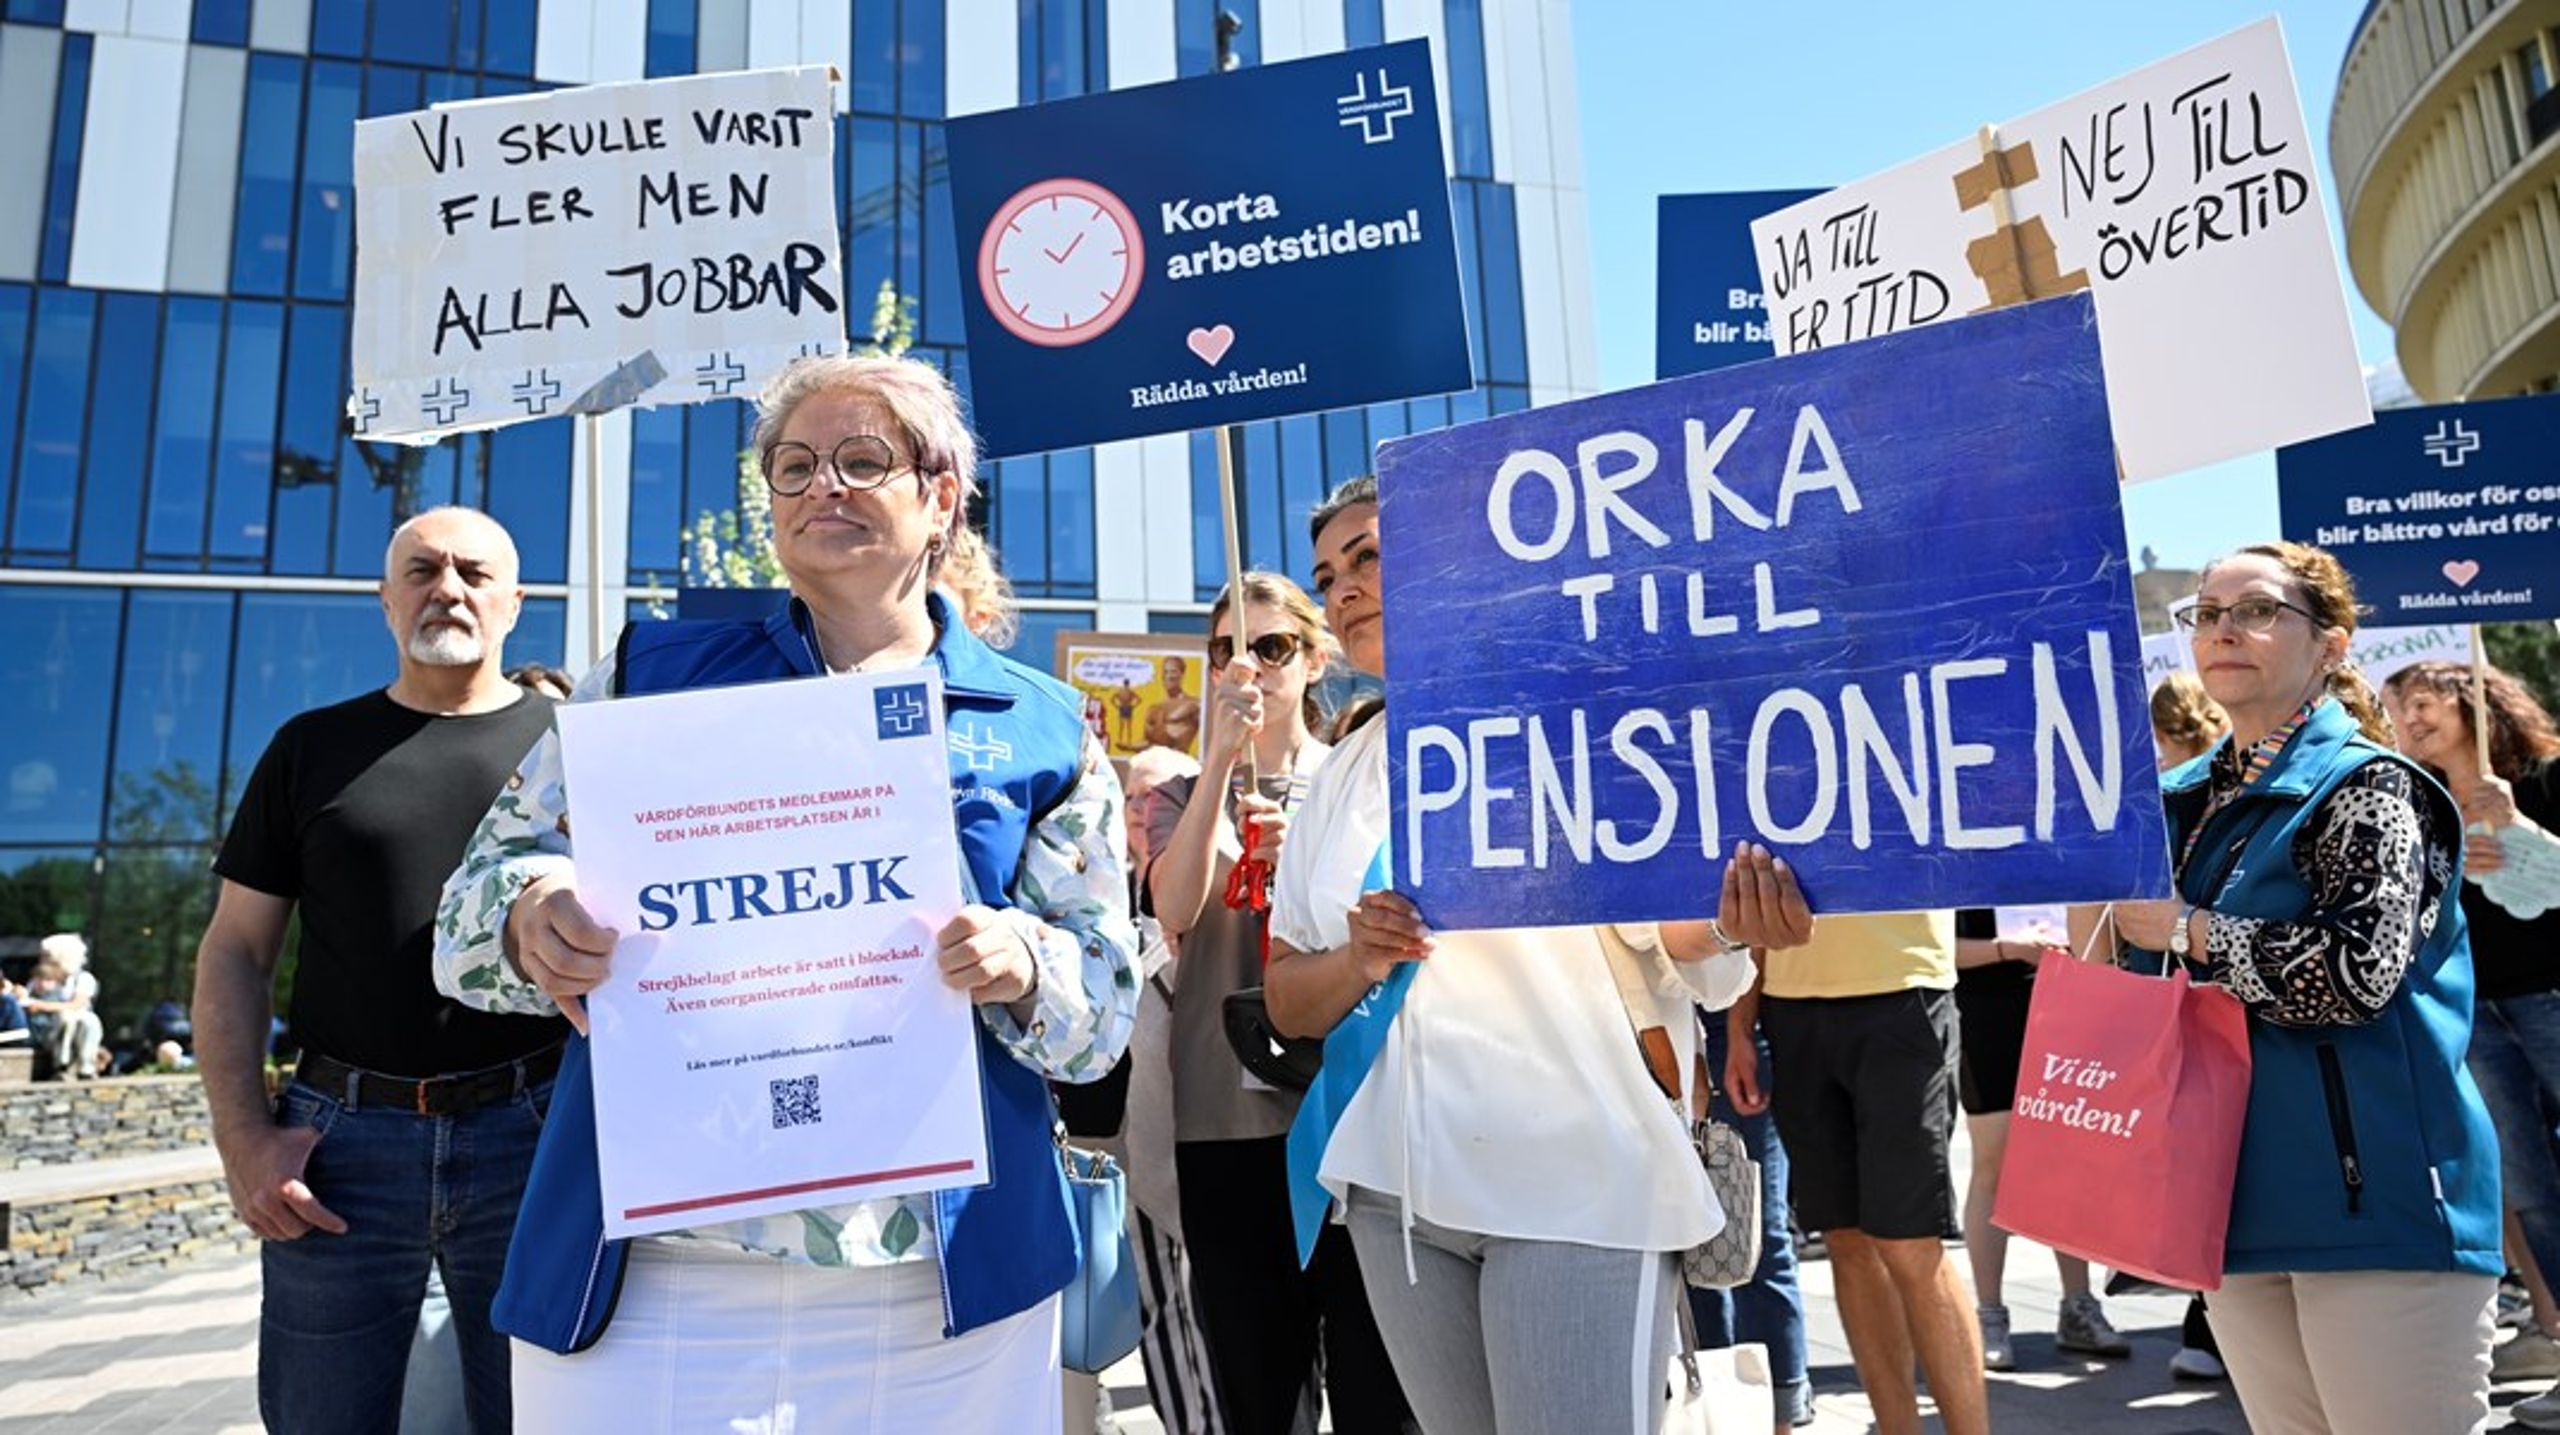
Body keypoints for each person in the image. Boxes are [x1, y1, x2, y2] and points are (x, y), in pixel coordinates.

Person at [431, 353, 1137, 1434]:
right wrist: (533, 914)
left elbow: (1100, 1018)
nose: (822, 488)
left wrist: (1025, 961)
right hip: (664, 1270)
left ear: (940, 494)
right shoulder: (650, 676)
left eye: (862, 460)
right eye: (794, 466)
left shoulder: (1038, 723)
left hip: (943, 1285)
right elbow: (469, 914)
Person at [1265, 475, 1815, 1435]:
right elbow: (1284, 997)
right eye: (1327, 575)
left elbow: (1680, 933)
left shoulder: (1584, 729)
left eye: (1369, 558)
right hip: (1396, 1198)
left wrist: (1737, 920)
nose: (1343, 588)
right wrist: (1357, 958)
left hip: (1577, 1176)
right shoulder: (1340, 775)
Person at [2107, 542, 2498, 1434]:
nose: (2223, 630)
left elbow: (2356, 973)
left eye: (2256, 610)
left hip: (2380, 1203)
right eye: (2206, 612)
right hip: (2231, 1199)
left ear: (2331, 643)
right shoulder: (2171, 803)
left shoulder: (2367, 786)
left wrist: (2187, 929)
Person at [191, 506, 564, 1432]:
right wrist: (244, 1139)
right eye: (422, 570)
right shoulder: (308, 749)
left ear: (515, 602)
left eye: (475, 572)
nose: (449, 588)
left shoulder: (577, 744)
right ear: (385, 600)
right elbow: (235, 950)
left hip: (536, 1132)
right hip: (339, 1152)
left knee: (546, 1416)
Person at [1146, 572, 1408, 1435]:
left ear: (1313, 656)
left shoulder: (1359, 777)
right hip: (1224, 1121)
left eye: (1271, 646)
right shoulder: (1186, 790)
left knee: (1381, 1388)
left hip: (1347, 1114)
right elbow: (1172, 912)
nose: (1246, 667)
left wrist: (1305, 858)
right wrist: (1218, 761)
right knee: (1259, 1394)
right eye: (1226, 649)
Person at [1727, 911, 1989, 1435]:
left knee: (1911, 1244)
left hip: (1906, 987)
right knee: (1846, 1240)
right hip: (1790, 1003)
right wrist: (1740, 1023)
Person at [2381, 658, 2560, 1426]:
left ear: (2472, 701)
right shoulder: (2409, 805)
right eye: (2397, 710)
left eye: (2422, 702)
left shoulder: (2546, 778)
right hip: (2475, 1016)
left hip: (2551, 995)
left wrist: (2521, 831)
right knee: (2530, 1190)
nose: (2410, 720)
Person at [1950, 907, 2130, 1370]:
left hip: (2061, 994)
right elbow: (1936, 951)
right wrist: (2010, 949)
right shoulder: (1955, 850)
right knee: (1994, 1159)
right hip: (1985, 1006)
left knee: (2065, 1158)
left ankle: (2078, 1303)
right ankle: (1989, 1312)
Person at [1688, 1006, 1814, 1431]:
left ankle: (1781, 1411)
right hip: (1668, 1032)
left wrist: (1740, 1035)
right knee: (1692, 1246)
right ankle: (1711, 1409)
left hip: (1733, 1031)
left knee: (1757, 1236)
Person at [24, 935, 103, 1081]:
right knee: (66, 1017)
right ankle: (62, 1065)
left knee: (88, 1019)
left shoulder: (83, 979)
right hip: (47, 1031)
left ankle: (86, 1066)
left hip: (76, 1031)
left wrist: (42, 1005)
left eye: (47, 956)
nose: (42, 959)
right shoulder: (39, 980)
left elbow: (78, 1004)